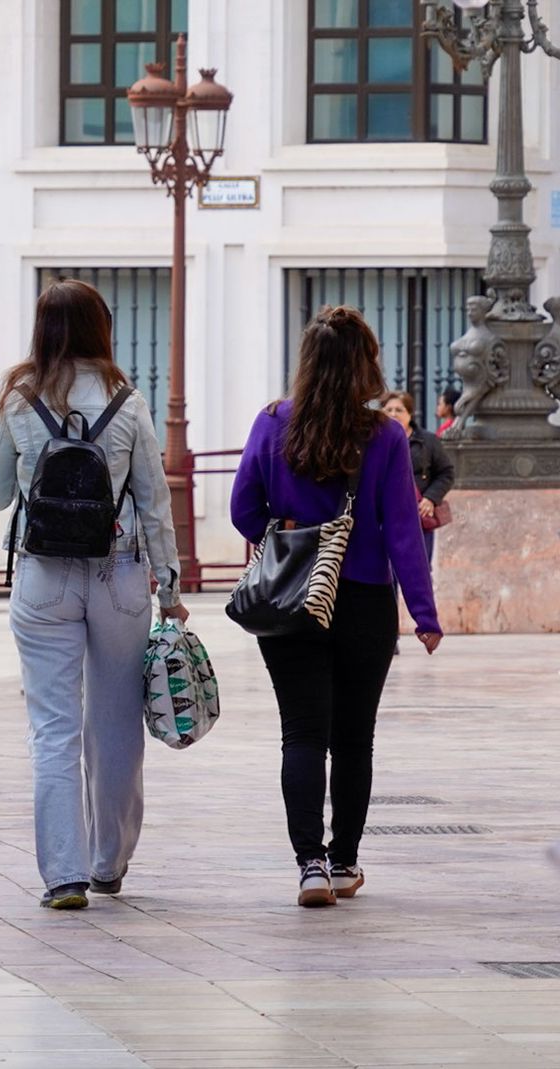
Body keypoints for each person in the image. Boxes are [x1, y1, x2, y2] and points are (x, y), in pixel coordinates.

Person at [0, 280, 183, 910]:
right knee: (115, 722)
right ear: (101, 327)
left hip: (43, 577)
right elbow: (154, 499)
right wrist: (169, 586)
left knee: (53, 729)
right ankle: (108, 862)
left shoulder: (19, 398)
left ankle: (62, 875)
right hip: (119, 574)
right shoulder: (129, 402)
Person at [231, 306, 442, 908]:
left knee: (301, 734)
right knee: (354, 738)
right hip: (364, 600)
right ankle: (346, 860)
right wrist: (424, 615)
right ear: (366, 366)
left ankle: (310, 866)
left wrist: (287, 527)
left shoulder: (273, 424)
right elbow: (404, 530)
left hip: (291, 595)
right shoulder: (386, 436)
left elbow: (242, 509)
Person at [381, 391, 455, 563]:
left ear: (409, 413)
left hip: (417, 517)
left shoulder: (428, 441)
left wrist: (430, 498)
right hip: (384, 517)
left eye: (399, 410)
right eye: (388, 409)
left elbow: (446, 473)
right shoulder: (374, 441)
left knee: (417, 568)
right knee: (385, 574)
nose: (393, 414)